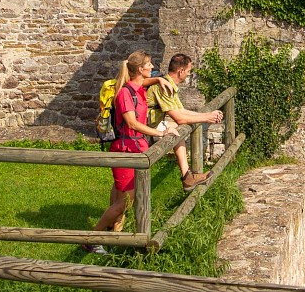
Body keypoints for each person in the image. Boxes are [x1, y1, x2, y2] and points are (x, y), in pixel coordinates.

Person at [85, 50, 177, 255]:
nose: (152, 66)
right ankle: (91, 239)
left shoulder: (137, 87)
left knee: (123, 198)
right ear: (140, 69)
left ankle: (114, 233)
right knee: (125, 202)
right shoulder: (126, 93)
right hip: (125, 151)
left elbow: (142, 83)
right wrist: (160, 133)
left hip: (136, 149)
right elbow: (132, 123)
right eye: (149, 65)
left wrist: (158, 80)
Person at [146, 53, 224, 190]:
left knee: (176, 127)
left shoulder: (168, 83)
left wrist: (206, 114)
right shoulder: (164, 87)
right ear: (180, 71)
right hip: (144, 128)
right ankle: (187, 176)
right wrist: (207, 118)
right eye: (188, 71)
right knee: (177, 126)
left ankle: (187, 176)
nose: (188, 75)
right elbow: (180, 117)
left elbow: (181, 111)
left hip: (152, 124)